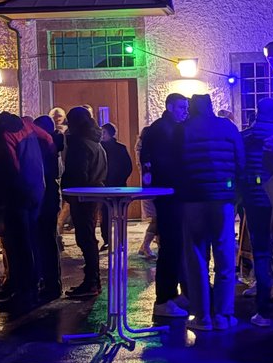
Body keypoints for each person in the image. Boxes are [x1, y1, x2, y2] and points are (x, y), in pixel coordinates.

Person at [0, 97, 48, 315]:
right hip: (36, 190)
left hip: (17, 196)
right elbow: (49, 141)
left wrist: (1, 201)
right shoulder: (25, 124)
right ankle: (28, 289)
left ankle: (25, 294)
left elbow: (8, 170)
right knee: (29, 243)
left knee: (19, 246)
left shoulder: (0, 135)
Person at [178, 93, 245, 331]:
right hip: (222, 199)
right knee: (225, 256)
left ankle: (202, 316)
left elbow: (177, 163)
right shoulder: (227, 127)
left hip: (193, 198)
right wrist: (235, 190)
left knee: (196, 257)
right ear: (211, 106)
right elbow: (241, 161)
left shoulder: (183, 129)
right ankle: (224, 315)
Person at [139, 93, 189, 317]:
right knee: (171, 245)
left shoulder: (161, 128)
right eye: (180, 107)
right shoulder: (164, 130)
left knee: (173, 245)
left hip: (168, 192)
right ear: (169, 107)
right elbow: (164, 162)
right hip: (169, 193)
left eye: (185, 107)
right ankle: (164, 298)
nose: (184, 111)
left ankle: (170, 295)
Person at [240, 97, 273, 324]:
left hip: (255, 201)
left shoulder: (247, 137)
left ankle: (264, 310)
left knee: (261, 252)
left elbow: (240, 167)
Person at [62, 106, 108, 297]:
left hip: (83, 195)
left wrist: (69, 191)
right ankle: (92, 280)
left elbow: (78, 173)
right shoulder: (95, 142)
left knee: (85, 238)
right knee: (88, 237)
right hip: (94, 193)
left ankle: (91, 282)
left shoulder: (80, 144)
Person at [33, 114, 65, 303]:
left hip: (46, 195)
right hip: (51, 194)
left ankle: (51, 284)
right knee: (47, 240)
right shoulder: (55, 143)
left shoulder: (47, 145)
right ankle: (50, 282)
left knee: (46, 240)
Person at [97, 121, 134, 249]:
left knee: (120, 215)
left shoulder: (120, 148)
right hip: (105, 186)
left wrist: (120, 179)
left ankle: (121, 241)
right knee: (105, 215)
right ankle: (107, 240)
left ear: (111, 134)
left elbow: (128, 167)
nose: (102, 135)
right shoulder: (100, 147)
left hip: (118, 186)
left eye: (104, 132)